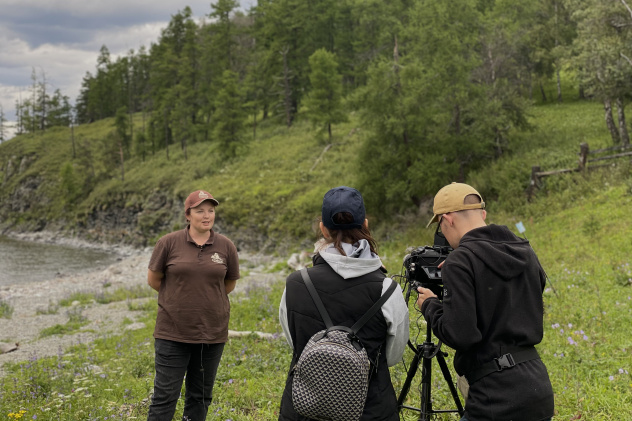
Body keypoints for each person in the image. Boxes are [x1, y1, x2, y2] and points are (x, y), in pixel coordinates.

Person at [417, 182, 554, 421]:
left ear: (447, 219)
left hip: (495, 396)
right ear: (482, 214)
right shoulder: (526, 252)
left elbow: (462, 335)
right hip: (537, 387)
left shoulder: (460, 261)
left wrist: (430, 304)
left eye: (440, 226)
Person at [278, 186, 410, 421]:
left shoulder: (296, 283)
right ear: (366, 225)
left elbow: (295, 344)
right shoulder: (388, 289)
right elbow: (393, 356)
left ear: (323, 229)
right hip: (370, 410)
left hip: (304, 408)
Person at [146, 189, 240, 421]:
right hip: (172, 333)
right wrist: (178, 298)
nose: (206, 215)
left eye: (210, 210)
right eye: (200, 211)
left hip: (211, 334)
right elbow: (154, 280)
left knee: (200, 397)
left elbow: (228, 284)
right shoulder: (168, 243)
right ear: (188, 215)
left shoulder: (226, 246)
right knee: (164, 397)